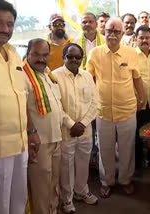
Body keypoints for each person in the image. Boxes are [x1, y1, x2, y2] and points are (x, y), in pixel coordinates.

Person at [0, 1, 40, 214]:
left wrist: (31, 131)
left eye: (10, 24)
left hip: (19, 147)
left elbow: (21, 97)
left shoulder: (13, 54)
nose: (6, 29)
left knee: (18, 203)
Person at [86, 17, 144, 198]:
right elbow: (89, 79)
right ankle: (106, 182)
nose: (112, 34)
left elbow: (137, 78)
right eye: (109, 31)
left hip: (127, 109)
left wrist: (142, 98)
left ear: (122, 34)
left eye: (116, 31)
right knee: (105, 149)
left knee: (127, 148)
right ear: (104, 32)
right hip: (102, 110)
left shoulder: (131, 53)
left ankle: (125, 180)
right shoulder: (95, 53)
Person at [53, 43, 99, 213]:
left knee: (83, 163)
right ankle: (67, 199)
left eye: (77, 57)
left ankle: (82, 191)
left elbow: (95, 102)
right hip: (67, 131)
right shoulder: (55, 76)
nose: (74, 60)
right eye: (70, 56)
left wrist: (83, 123)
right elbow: (57, 106)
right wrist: (72, 125)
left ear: (81, 59)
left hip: (85, 131)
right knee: (66, 166)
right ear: (63, 57)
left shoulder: (87, 76)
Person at [24, 38, 63, 214]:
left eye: (45, 55)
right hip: (39, 142)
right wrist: (31, 132)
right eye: (36, 54)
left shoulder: (49, 74)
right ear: (27, 54)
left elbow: (58, 106)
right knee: (41, 187)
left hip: (56, 137)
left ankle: (52, 210)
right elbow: (22, 108)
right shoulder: (23, 76)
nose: (41, 59)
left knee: (54, 182)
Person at [134, 25, 150, 172]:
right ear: (136, 39)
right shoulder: (130, 56)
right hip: (137, 103)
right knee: (135, 135)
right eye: (141, 37)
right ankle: (137, 163)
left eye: (147, 38)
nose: (144, 40)